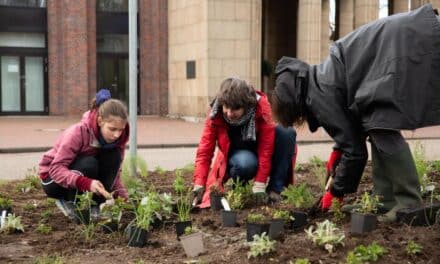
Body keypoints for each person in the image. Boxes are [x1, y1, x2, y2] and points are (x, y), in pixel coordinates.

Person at [271, 4, 440, 222]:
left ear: (295, 107)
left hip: (407, 45)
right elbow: (352, 131)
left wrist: (335, 192)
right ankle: (385, 200)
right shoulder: (317, 82)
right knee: (376, 123)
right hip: (404, 40)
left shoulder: (319, 96)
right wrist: (337, 151)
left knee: (381, 123)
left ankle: (408, 202)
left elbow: (356, 153)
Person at [192, 77, 297, 208]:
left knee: (286, 132)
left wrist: (259, 184)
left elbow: (266, 149)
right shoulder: (216, 114)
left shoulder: (261, 109)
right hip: (237, 156)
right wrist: (199, 183)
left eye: (235, 108)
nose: (229, 113)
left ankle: (275, 190)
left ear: (247, 106)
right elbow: (205, 151)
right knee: (245, 163)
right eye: (226, 107)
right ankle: (240, 187)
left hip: (259, 150)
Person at [39, 89, 129, 219]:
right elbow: (56, 169)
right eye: (112, 129)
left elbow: (114, 175)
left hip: (79, 178)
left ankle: (95, 206)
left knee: (113, 157)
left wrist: (126, 200)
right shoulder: (78, 132)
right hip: (52, 180)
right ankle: (70, 203)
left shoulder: (117, 141)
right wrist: (86, 183)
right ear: (99, 121)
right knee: (89, 163)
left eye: (120, 130)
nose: (117, 135)